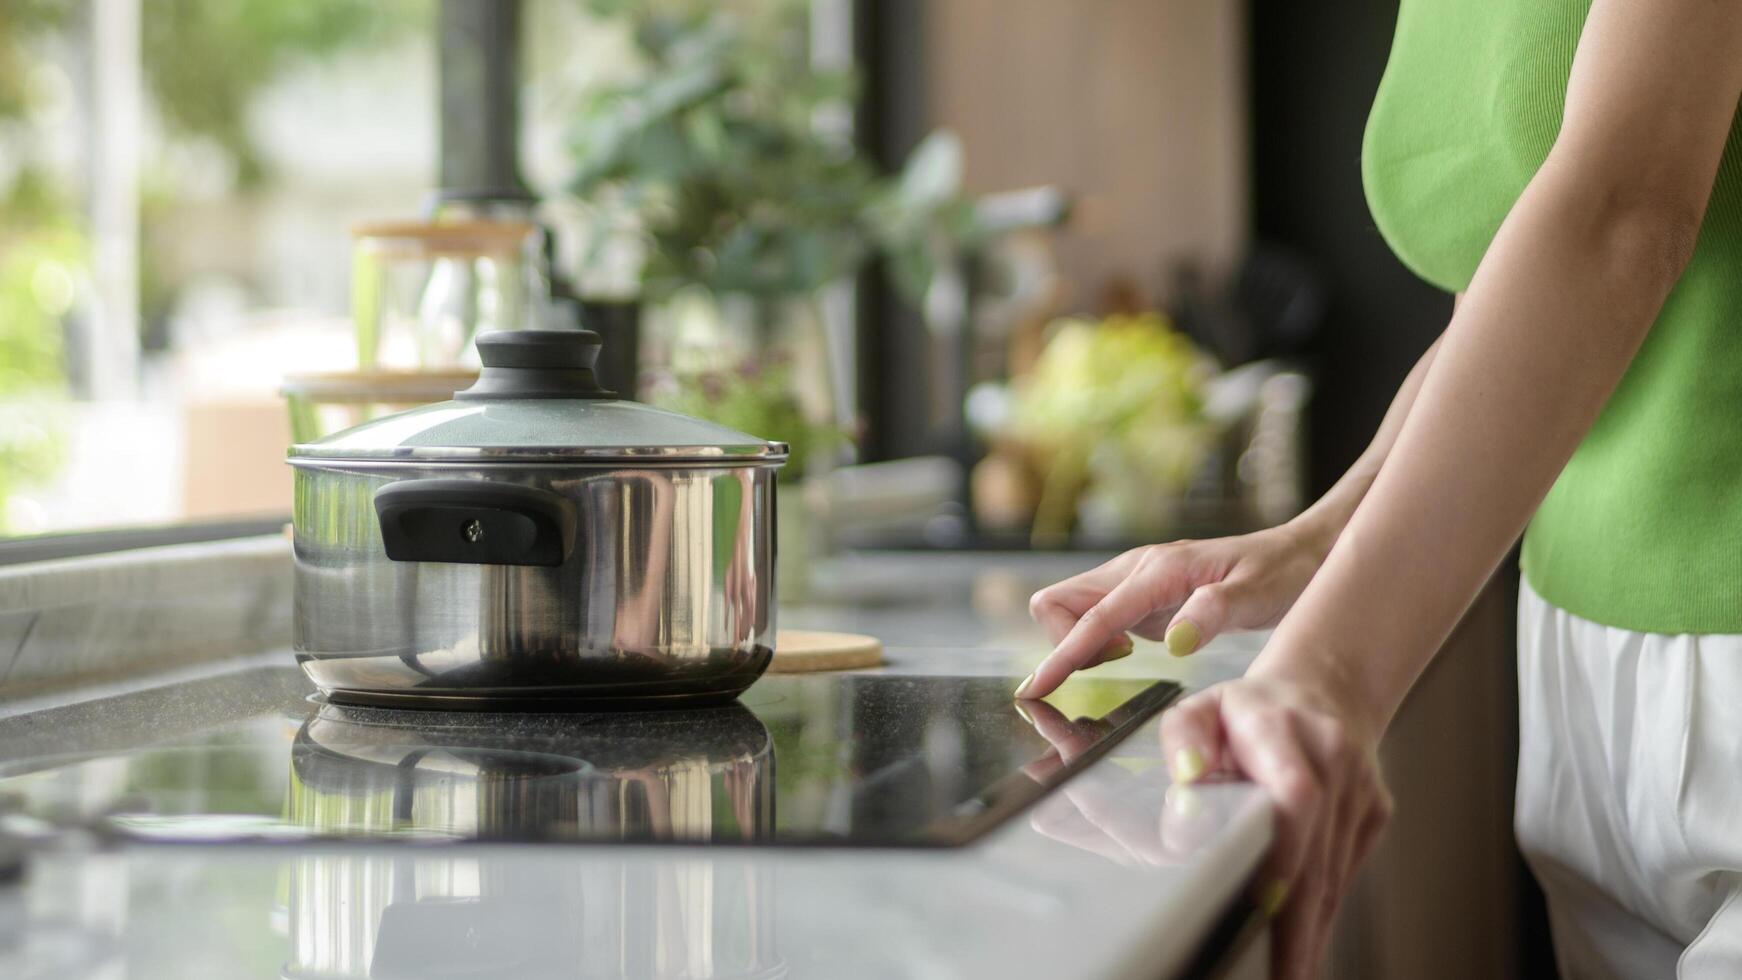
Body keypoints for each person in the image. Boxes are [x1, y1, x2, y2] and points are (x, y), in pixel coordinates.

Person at [1016, 0, 1742, 977]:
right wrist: (1321, 533)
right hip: (1585, 667)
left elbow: (1623, 212)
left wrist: (1331, 670)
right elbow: (1508, 297)